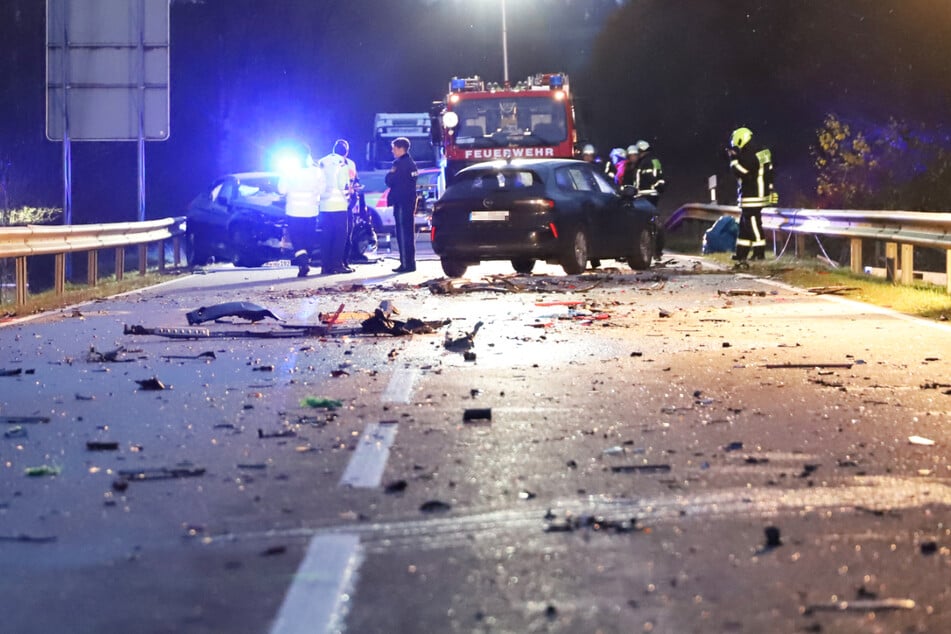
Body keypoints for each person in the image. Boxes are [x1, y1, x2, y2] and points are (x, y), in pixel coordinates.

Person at [727, 127, 777, 263]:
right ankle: (741, 253)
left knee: (753, 224)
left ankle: (759, 253)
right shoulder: (762, 151)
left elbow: (743, 172)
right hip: (759, 194)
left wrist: (733, 160)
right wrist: (771, 190)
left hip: (752, 196)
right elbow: (770, 173)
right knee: (745, 227)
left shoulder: (749, 154)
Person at [278, 144, 324, 277]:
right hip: (311, 211)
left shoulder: (289, 171)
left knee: (297, 238)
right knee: (308, 237)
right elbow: (321, 189)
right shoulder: (316, 171)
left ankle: (303, 262)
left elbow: (281, 189)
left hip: (294, 211)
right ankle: (306, 259)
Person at [623, 140, 667, 260]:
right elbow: (660, 178)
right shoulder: (651, 162)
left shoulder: (641, 164)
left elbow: (655, 179)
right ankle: (656, 251)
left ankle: (651, 249)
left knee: (646, 223)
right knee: (654, 223)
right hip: (651, 196)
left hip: (644, 196)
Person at [316, 140, 354, 274]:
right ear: (346, 153)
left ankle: (325, 266)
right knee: (340, 237)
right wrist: (348, 197)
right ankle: (337, 264)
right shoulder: (342, 164)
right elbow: (342, 184)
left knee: (326, 236)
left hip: (324, 206)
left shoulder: (322, 162)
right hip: (338, 205)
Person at [386, 136, 419, 273]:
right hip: (409, 200)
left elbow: (389, 180)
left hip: (401, 201)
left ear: (401, 149)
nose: (393, 151)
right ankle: (409, 263)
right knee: (408, 233)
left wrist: (390, 175)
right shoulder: (411, 163)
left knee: (403, 233)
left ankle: (406, 264)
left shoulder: (399, 163)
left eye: (394, 149)